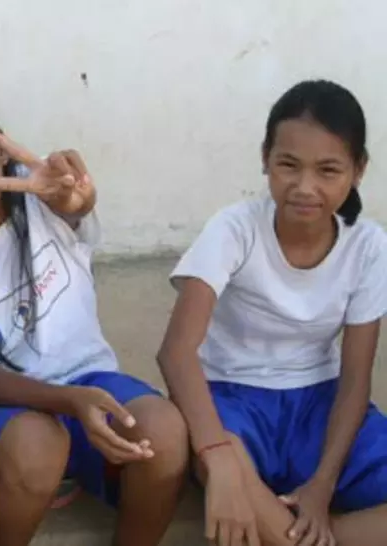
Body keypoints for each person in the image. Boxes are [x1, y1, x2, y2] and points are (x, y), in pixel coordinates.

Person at [0, 59, 189, 546]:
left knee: (165, 433)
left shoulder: (42, 191)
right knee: (36, 448)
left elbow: (76, 211)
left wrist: (77, 204)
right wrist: (70, 403)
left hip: (84, 378)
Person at [157, 79, 387, 546]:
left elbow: (355, 379)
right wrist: (216, 452)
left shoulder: (368, 246)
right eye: (288, 165)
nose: (305, 188)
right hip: (231, 400)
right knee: (226, 466)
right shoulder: (235, 229)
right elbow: (176, 354)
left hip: (319, 403)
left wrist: (322, 486)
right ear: (265, 158)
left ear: (358, 169)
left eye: (328, 170)